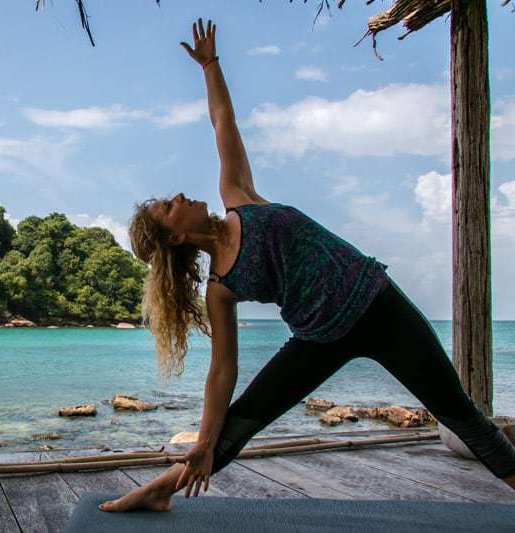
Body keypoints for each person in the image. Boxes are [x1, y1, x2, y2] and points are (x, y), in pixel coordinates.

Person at [100, 18, 515, 513]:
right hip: (318, 338)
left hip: (378, 305)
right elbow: (222, 370)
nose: (179, 196)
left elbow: (222, 123)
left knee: (460, 413)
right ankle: (162, 488)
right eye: (168, 206)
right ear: (173, 236)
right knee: (239, 422)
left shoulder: (240, 199)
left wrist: (211, 66)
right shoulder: (220, 287)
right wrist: (205, 435)